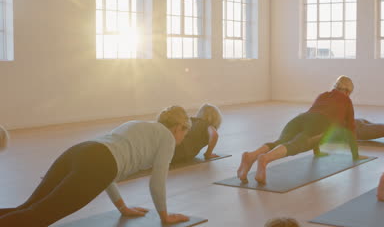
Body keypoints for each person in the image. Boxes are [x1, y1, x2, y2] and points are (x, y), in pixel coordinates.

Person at [0, 106, 192, 226]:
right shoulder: (167, 138)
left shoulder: (138, 125)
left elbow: (107, 169)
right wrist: (165, 217)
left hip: (78, 151)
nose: (182, 140)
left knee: (28, 207)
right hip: (98, 163)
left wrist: (123, 207)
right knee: (37, 218)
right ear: (178, 128)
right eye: (184, 134)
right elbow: (157, 184)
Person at [237, 76, 363, 184]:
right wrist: (355, 155)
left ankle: (252, 155)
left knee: (280, 141)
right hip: (319, 122)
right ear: (347, 91)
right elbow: (351, 129)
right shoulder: (346, 100)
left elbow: (314, 117)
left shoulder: (323, 95)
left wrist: (317, 151)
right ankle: (265, 159)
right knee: (295, 145)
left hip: (300, 119)